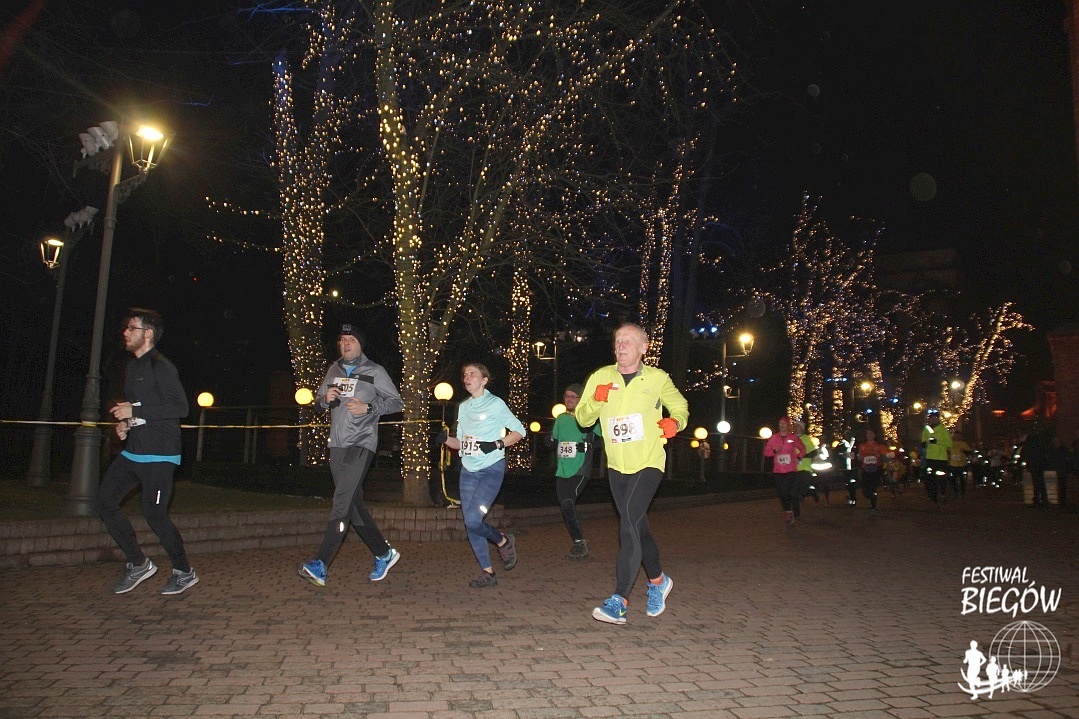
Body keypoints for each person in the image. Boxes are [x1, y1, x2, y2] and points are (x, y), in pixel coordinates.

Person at [575, 323, 689, 625]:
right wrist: (596, 399)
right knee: (638, 526)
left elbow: (680, 406)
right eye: (618, 340)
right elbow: (583, 419)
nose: (621, 345)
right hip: (617, 466)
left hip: (649, 461)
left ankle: (620, 601)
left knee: (627, 523)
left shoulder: (657, 378)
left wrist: (675, 422)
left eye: (628, 341)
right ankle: (658, 581)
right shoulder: (601, 377)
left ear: (643, 347)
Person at [97, 308, 198, 595]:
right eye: (126, 328)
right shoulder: (133, 368)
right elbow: (141, 409)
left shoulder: (161, 366)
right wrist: (127, 424)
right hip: (134, 452)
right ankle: (138, 563)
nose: (125, 333)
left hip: (160, 455)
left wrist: (135, 411)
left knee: (154, 514)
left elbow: (180, 407)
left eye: (132, 328)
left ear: (148, 334)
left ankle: (184, 571)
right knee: (104, 502)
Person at [298, 324, 403, 587]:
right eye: (343, 340)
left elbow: (396, 402)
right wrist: (325, 399)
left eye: (351, 340)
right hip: (337, 444)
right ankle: (384, 553)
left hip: (361, 442)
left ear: (360, 344)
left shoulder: (375, 371)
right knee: (353, 507)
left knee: (341, 501)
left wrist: (369, 407)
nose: (346, 344)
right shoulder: (333, 370)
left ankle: (321, 563)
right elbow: (319, 402)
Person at [436, 363, 526, 588]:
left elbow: (519, 431)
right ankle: (488, 572)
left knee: (474, 520)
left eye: (472, 374)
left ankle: (503, 540)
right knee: (471, 523)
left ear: (484, 380)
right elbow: (460, 443)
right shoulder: (463, 407)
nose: (467, 377)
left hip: (491, 469)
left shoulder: (495, 404)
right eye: (465, 374)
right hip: (468, 471)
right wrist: (446, 440)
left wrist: (496, 444)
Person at [547, 383, 600, 560]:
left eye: (572, 396)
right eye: (566, 396)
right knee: (565, 506)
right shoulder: (561, 419)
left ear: (580, 399)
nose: (568, 399)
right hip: (562, 470)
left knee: (568, 503)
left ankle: (579, 543)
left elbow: (606, 439)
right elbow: (554, 440)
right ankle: (579, 542)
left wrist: (589, 445)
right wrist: (549, 440)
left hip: (580, 469)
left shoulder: (588, 419)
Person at [763, 416, 806, 524]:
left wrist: (799, 458)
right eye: (780, 423)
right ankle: (788, 511)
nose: (781, 425)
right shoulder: (774, 438)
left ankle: (795, 509)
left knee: (791, 493)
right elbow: (766, 453)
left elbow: (803, 448)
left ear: (788, 425)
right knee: (782, 493)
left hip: (791, 469)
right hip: (778, 470)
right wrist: (774, 450)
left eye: (784, 423)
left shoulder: (793, 438)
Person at [921, 408, 952, 505]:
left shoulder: (943, 430)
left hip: (941, 458)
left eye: (935, 418)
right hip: (930, 458)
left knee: (941, 477)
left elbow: (950, 443)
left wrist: (937, 441)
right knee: (930, 478)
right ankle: (933, 497)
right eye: (931, 418)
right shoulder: (926, 429)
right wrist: (924, 444)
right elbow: (924, 441)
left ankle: (943, 494)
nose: (933, 419)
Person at [856, 428, 888, 514]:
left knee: (873, 488)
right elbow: (859, 457)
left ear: (874, 435)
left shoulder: (880, 446)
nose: (869, 435)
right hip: (865, 469)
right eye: (868, 434)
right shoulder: (862, 446)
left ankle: (873, 506)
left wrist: (880, 456)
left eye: (871, 433)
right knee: (865, 489)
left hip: (876, 469)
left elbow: (885, 457)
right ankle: (870, 499)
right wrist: (859, 458)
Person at [793, 420, 821, 506]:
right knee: (794, 487)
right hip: (793, 468)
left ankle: (812, 493)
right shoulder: (791, 439)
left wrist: (802, 456)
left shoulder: (806, 439)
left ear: (802, 428)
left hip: (804, 467)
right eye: (795, 426)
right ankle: (799, 501)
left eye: (798, 426)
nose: (796, 428)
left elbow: (814, 452)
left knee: (803, 488)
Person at [948, 431, 973, 500]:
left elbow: (969, 452)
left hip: (962, 465)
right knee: (952, 480)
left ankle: (962, 493)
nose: (956, 437)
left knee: (962, 480)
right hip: (953, 465)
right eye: (955, 436)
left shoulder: (964, 444)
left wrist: (964, 451)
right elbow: (946, 451)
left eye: (958, 436)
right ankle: (955, 492)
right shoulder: (950, 443)